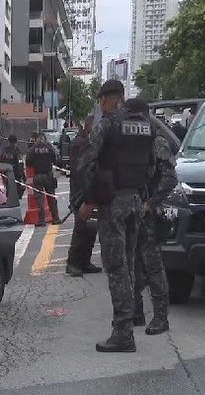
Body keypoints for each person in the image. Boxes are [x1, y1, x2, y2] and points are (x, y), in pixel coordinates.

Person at [78, 79, 157, 353]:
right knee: (130, 265)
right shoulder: (146, 126)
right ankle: (131, 318)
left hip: (113, 204)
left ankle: (123, 334)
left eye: (101, 100)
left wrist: (88, 200)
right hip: (136, 201)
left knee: (116, 268)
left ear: (109, 99)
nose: (101, 106)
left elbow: (87, 163)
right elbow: (152, 168)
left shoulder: (108, 125)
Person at [126, 98, 178, 335]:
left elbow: (170, 178)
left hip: (148, 215)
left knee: (153, 266)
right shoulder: (131, 142)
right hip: (131, 211)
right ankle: (136, 311)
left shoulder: (156, 141)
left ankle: (160, 317)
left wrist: (150, 203)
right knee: (132, 263)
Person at [65, 115, 101, 277]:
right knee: (81, 228)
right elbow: (79, 170)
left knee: (91, 228)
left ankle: (85, 261)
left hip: (89, 190)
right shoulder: (79, 143)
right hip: (80, 192)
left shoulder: (88, 142)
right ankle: (73, 263)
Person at [26, 132, 61, 227]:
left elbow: (28, 163)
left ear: (37, 139)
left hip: (38, 175)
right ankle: (55, 218)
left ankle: (42, 220)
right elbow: (56, 160)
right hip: (48, 175)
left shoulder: (32, 149)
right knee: (51, 197)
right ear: (44, 138)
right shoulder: (49, 148)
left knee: (39, 199)